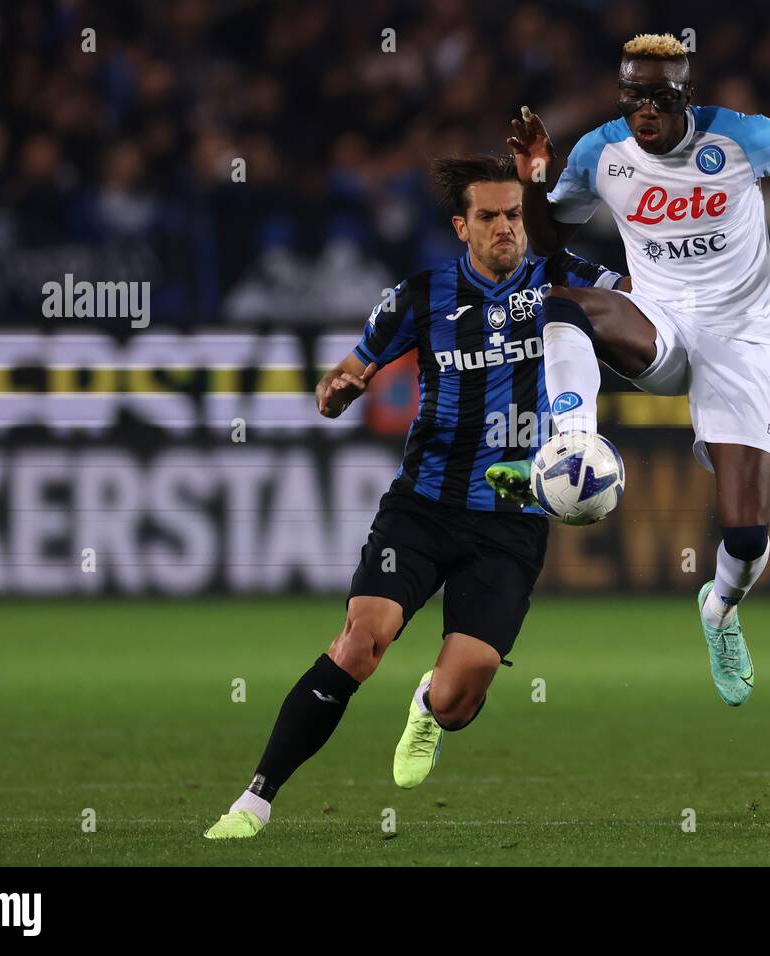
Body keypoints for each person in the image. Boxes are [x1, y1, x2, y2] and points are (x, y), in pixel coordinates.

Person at [204, 154, 629, 838]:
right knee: (359, 643)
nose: (505, 229)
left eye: (515, 215)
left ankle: (429, 705)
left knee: (462, 699)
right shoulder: (420, 295)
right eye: (488, 216)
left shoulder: (567, 276)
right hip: (424, 508)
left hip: (513, 521)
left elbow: (652, 303)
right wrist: (338, 391)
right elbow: (347, 372)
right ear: (462, 225)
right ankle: (253, 801)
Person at [487, 33, 770, 706]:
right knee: (560, 306)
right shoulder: (602, 151)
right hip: (659, 319)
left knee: (746, 537)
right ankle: (569, 444)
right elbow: (549, 241)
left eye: (661, 98)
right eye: (634, 98)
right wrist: (533, 178)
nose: (646, 113)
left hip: (743, 338)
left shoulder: (744, 137)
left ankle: (720, 608)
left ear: (686, 96)